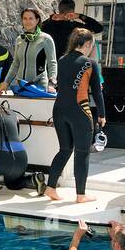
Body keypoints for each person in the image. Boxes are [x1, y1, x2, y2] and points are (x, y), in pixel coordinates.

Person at [45, 28, 106, 204]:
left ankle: (50, 188)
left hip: (59, 111)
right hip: (80, 111)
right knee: (82, 152)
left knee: (64, 149)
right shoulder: (89, 64)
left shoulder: (62, 60)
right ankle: (81, 195)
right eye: (91, 46)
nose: (91, 49)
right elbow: (97, 92)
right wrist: (102, 114)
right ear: (87, 44)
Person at [0, 8, 57, 94]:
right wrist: (6, 82)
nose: (27, 21)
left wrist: (52, 84)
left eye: (31, 18)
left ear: (37, 20)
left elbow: (52, 63)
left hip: (38, 87)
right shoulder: (19, 39)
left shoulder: (46, 39)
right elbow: (15, 63)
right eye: (25, 18)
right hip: (20, 87)